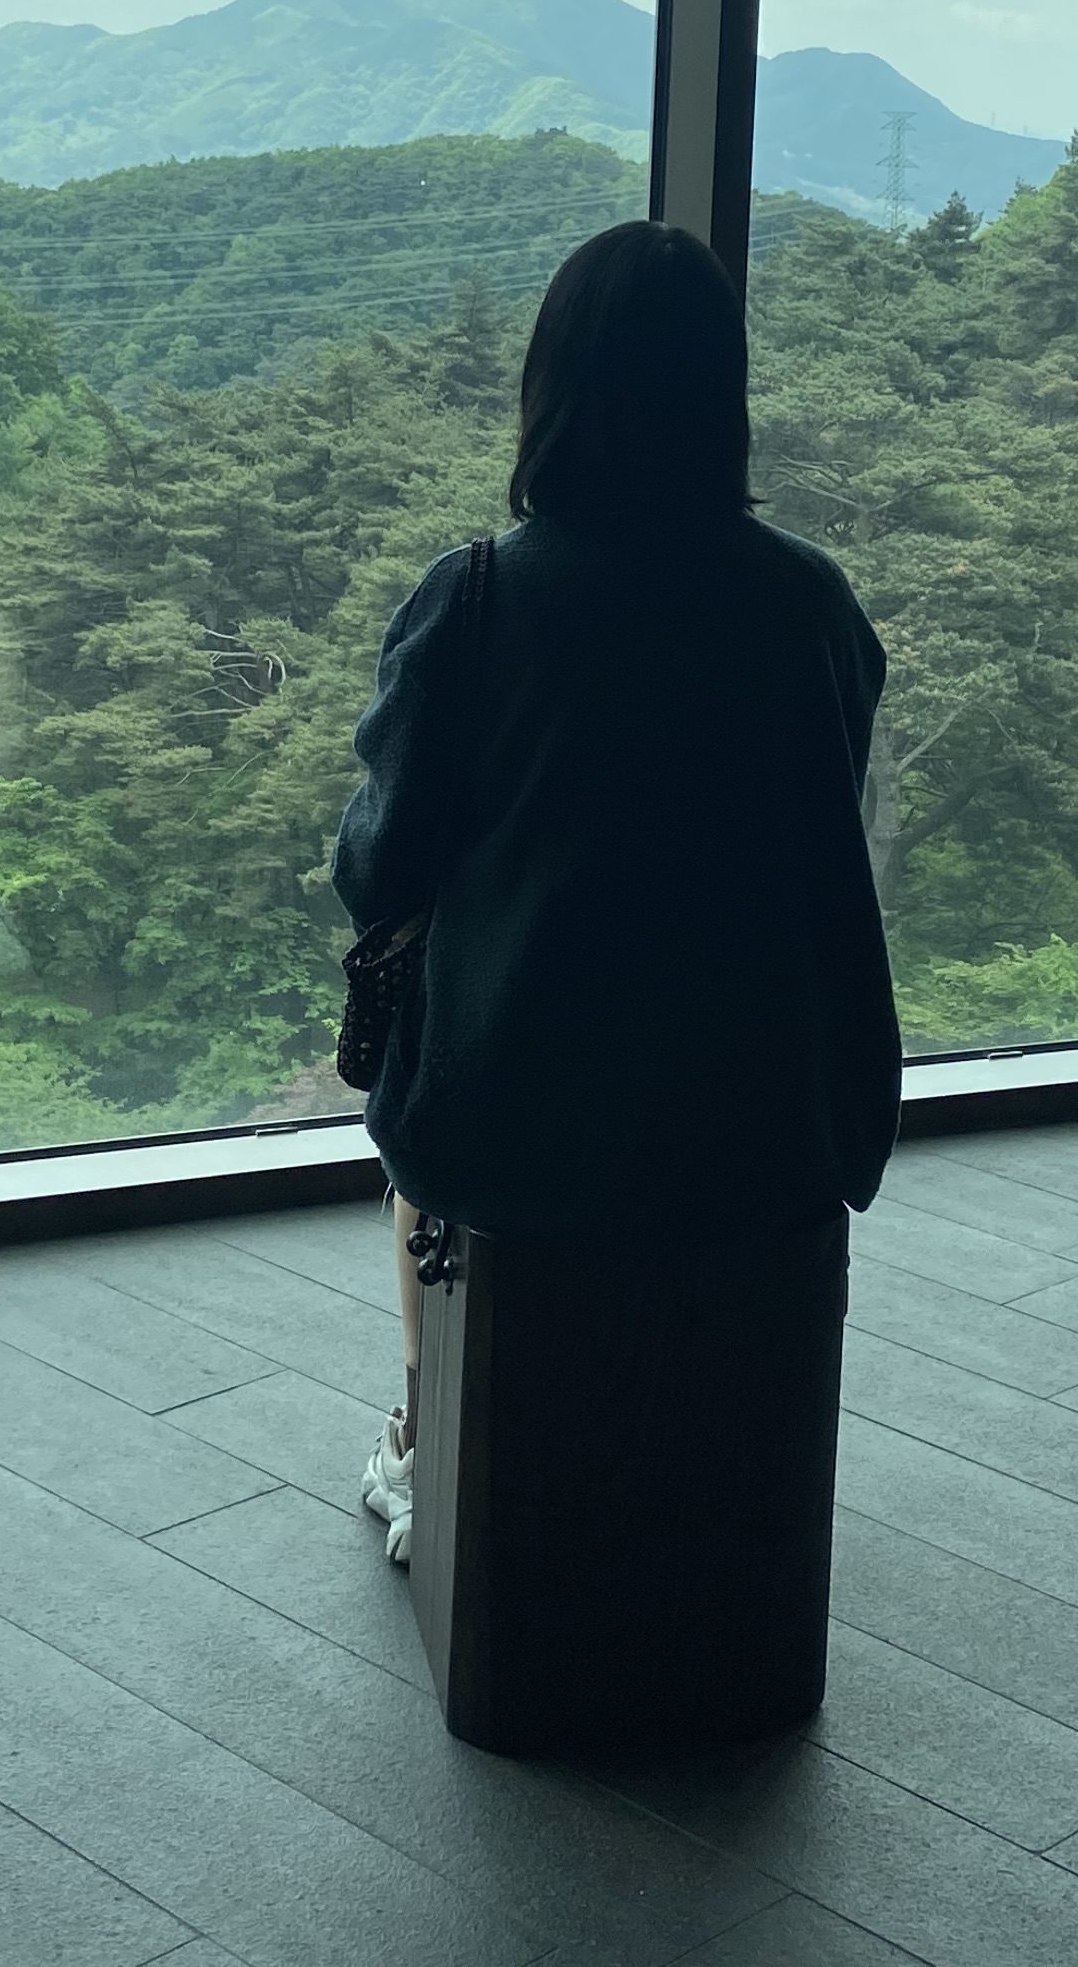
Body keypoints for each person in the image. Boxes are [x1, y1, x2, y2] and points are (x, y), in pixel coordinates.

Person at [336, 220, 899, 1565]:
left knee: (421, 1150)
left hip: (522, 1121)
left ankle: (433, 1433)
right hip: (768, 1116)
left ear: (551, 388)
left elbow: (380, 865)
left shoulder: (479, 599)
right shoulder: (809, 601)